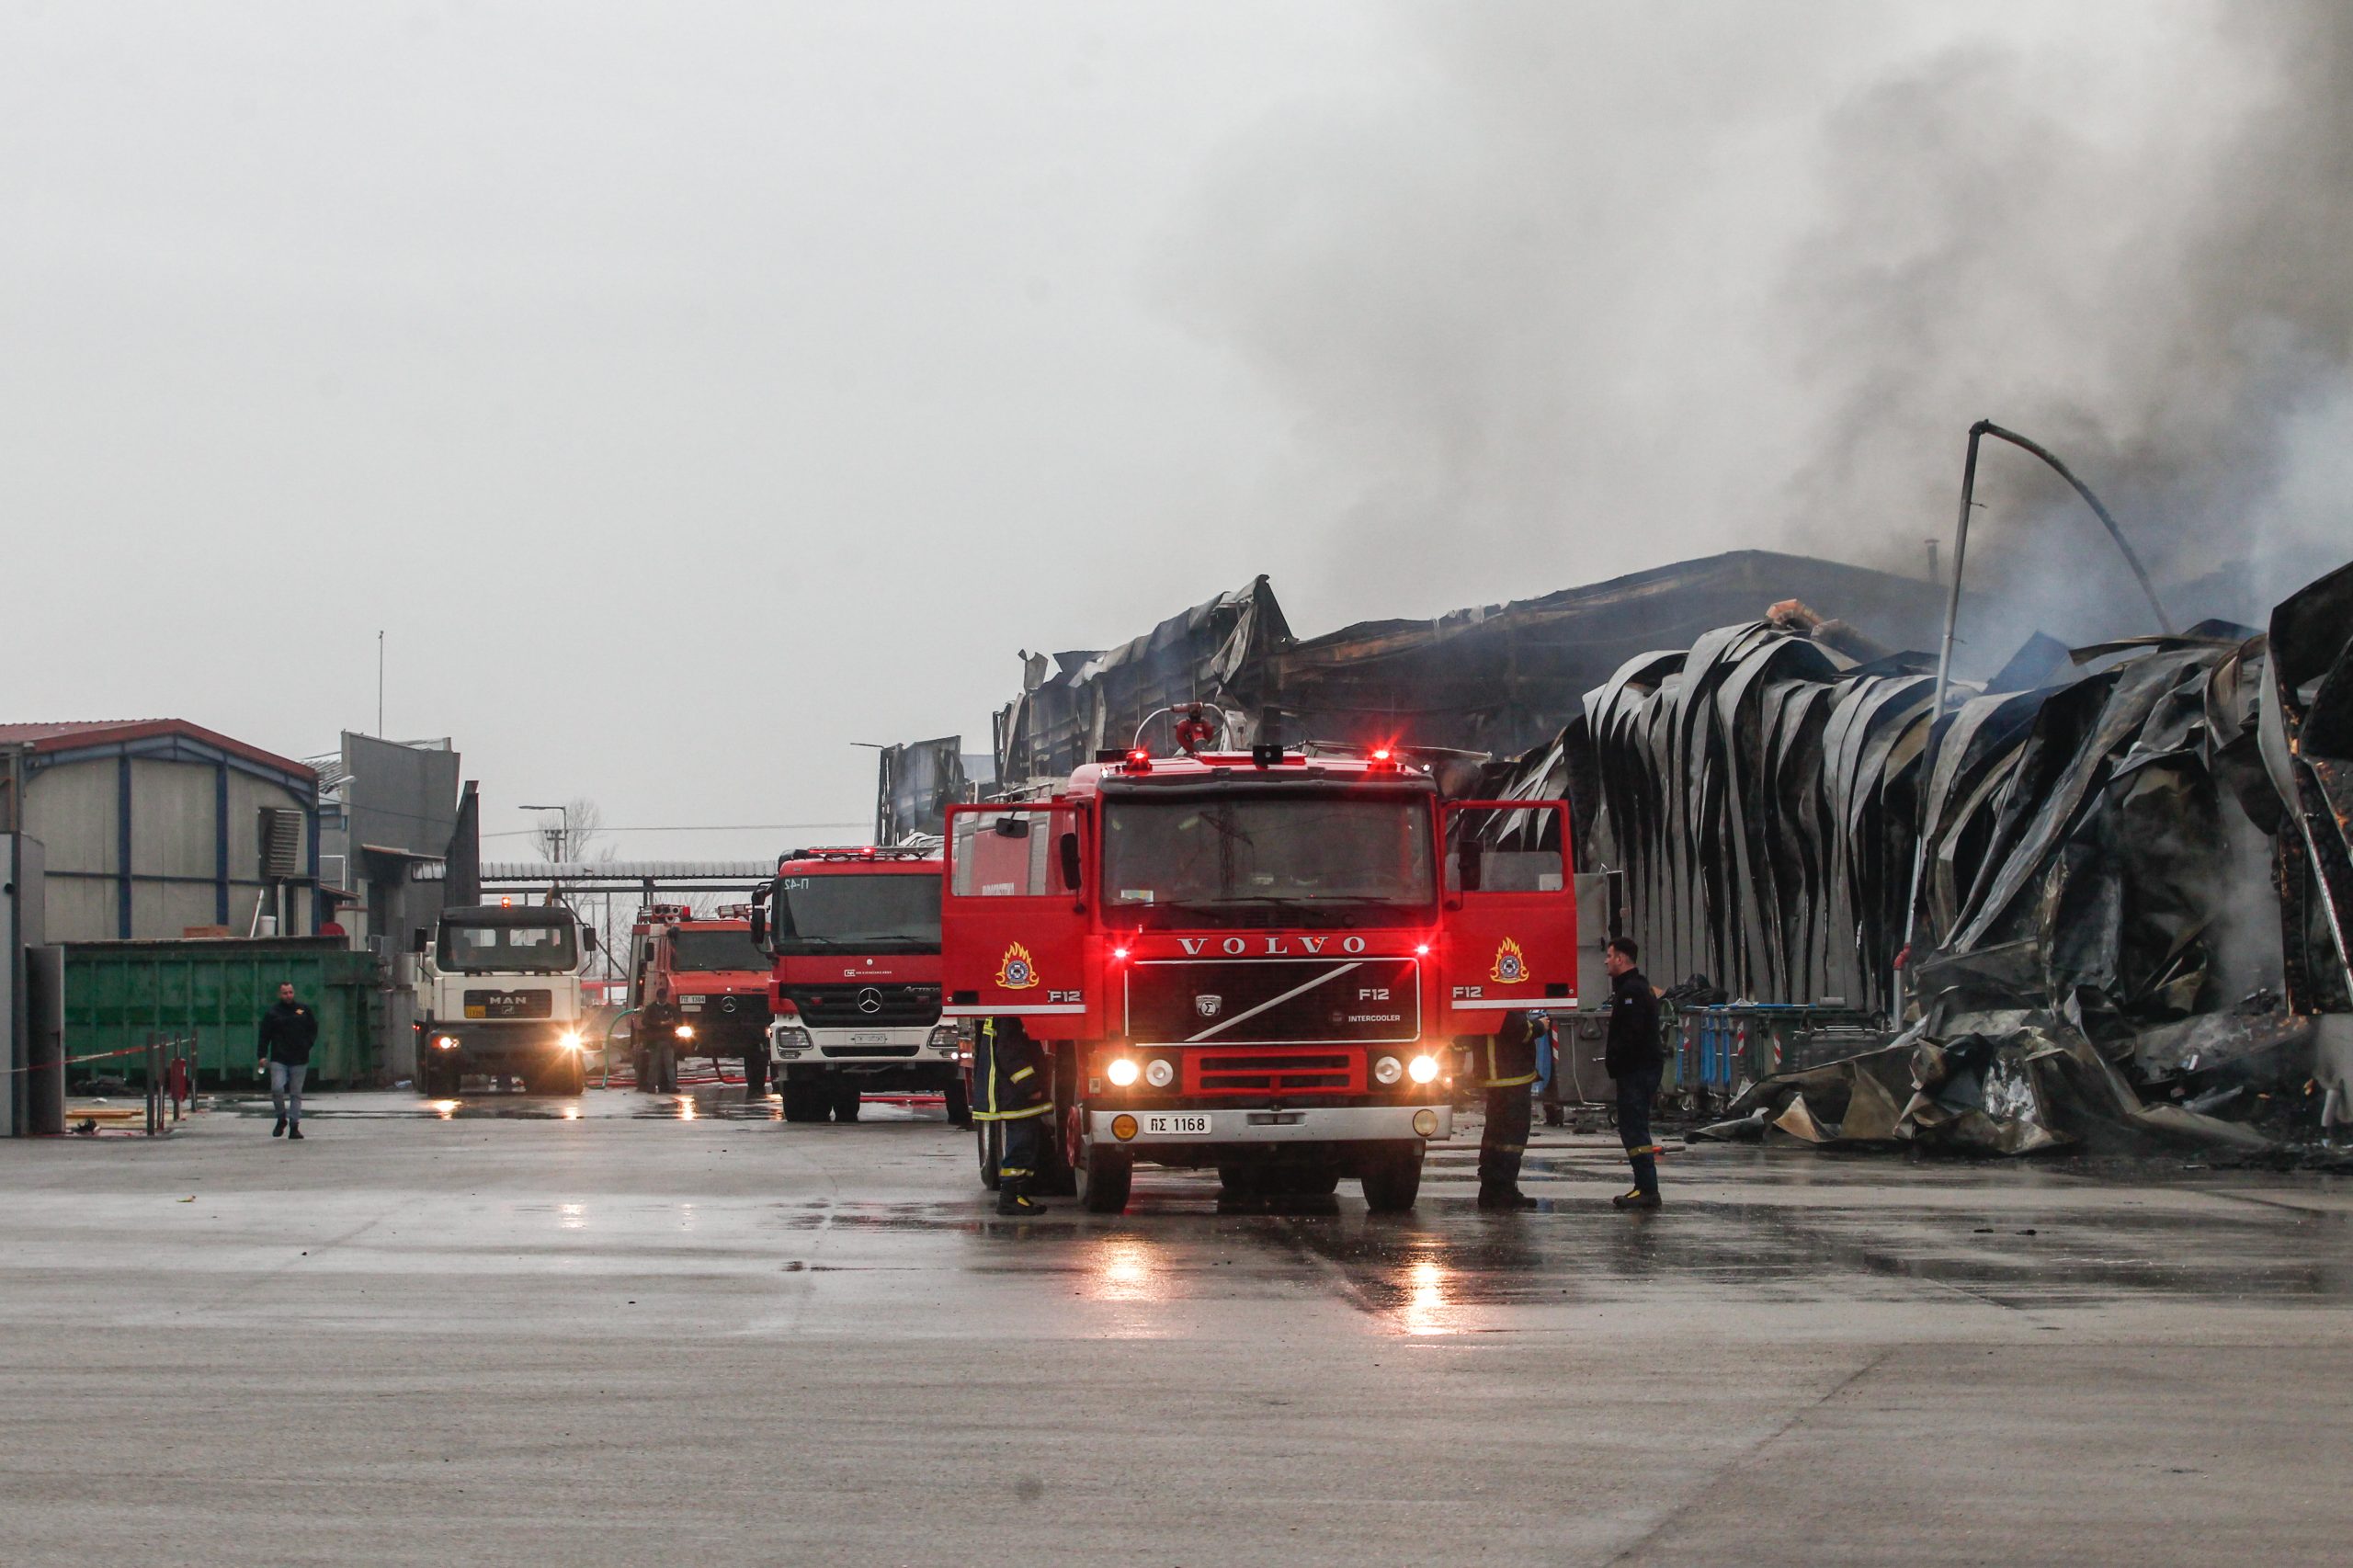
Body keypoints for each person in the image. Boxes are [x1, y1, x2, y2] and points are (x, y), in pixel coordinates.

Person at [1603, 938, 1663, 1210]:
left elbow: (1632, 1035)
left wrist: (1617, 1060)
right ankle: (1644, 1187)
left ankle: (1647, 1189)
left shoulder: (1632, 992)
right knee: (1633, 1127)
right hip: (1638, 1069)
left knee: (1635, 1129)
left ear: (1621, 958)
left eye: (1609, 955)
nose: (1606, 961)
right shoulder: (1633, 988)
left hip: (1636, 1071)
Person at [976, 1018, 1054, 1214]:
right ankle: (1010, 1198)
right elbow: (1010, 1054)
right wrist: (1030, 1086)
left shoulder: (1003, 1016)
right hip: (1015, 1096)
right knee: (1021, 1145)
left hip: (1013, 1095)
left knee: (1026, 1144)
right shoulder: (1008, 1019)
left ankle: (1018, 1196)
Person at [1474, 1010, 1540, 1210]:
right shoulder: (1505, 999)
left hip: (1495, 1076)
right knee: (1512, 1137)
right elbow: (1520, 1030)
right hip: (1512, 1075)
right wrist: (1539, 1026)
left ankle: (1490, 1190)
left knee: (1494, 1136)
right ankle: (1504, 1191)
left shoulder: (1484, 1002)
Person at [256, 981, 319, 1141]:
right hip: (279, 1058)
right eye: (285, 993)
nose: (288, 995)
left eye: (290, 992)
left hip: (300, 1058)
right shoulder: (273, 1013)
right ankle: (281, 1118)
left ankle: (294, 1126)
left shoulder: (303, 1010)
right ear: (280, 994)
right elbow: (264, 1035)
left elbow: (313, 1028)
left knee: (295, 1094)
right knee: (277, 1088)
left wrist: (307, 1044)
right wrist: (262, 1055)